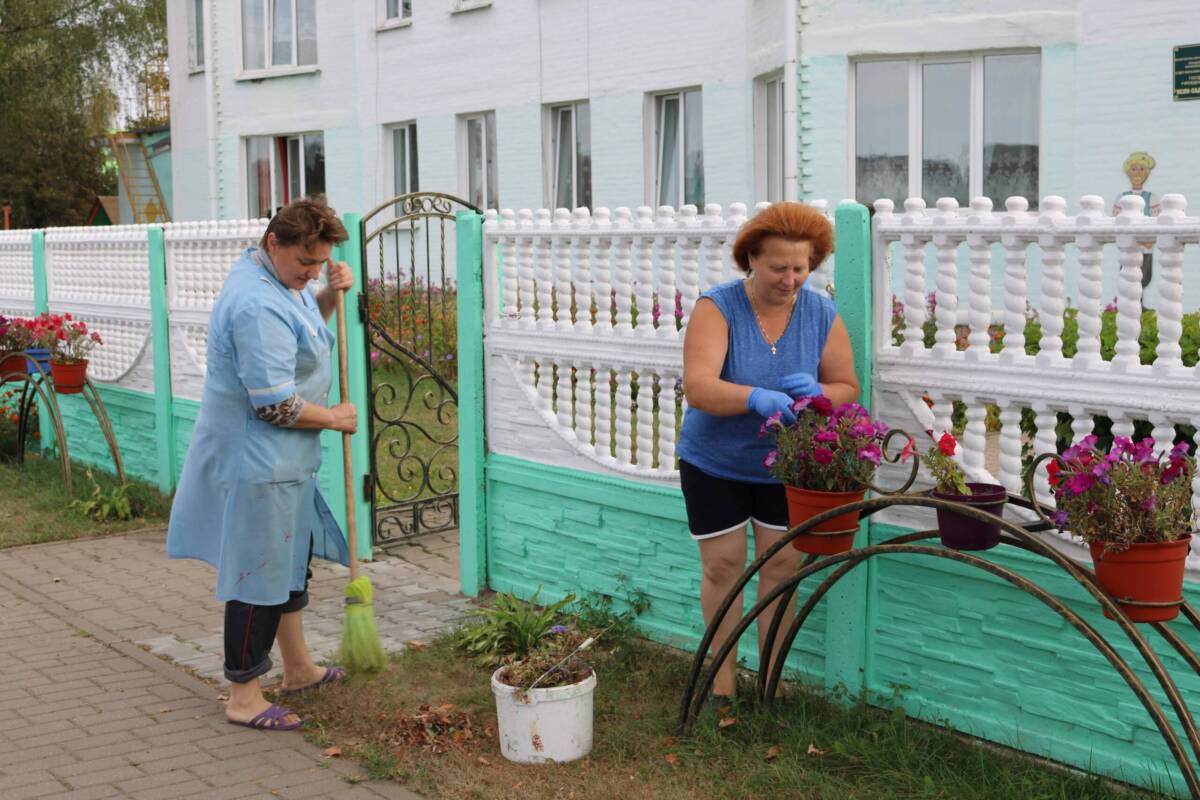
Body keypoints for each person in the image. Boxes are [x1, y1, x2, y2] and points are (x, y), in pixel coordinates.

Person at [167, 197, 359, 731]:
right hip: (259, 462)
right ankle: (244, 694)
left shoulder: (277, 278)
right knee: (256, 576)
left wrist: (326, 294)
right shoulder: (255, 303)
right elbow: (275, 405)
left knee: (288, 564)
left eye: (320, 262)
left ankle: (298, 669)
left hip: (285, 462)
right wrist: (336, 418)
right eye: (306, 262)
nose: (312, 271)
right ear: (275, 241)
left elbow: (299, 341)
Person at [676, 202, 860, 701]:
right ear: (751, 258)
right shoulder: (718, 308)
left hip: (787, 466)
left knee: (781, 570)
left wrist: (820, 395)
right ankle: (721, 686)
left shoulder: (820, 311)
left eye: (801, 267)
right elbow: (698, 388)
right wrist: (752, 397)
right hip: (715, 463)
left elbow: (847, 385)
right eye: (779, 267)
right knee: (723, 566)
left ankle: (771, 687)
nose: (790, 278)